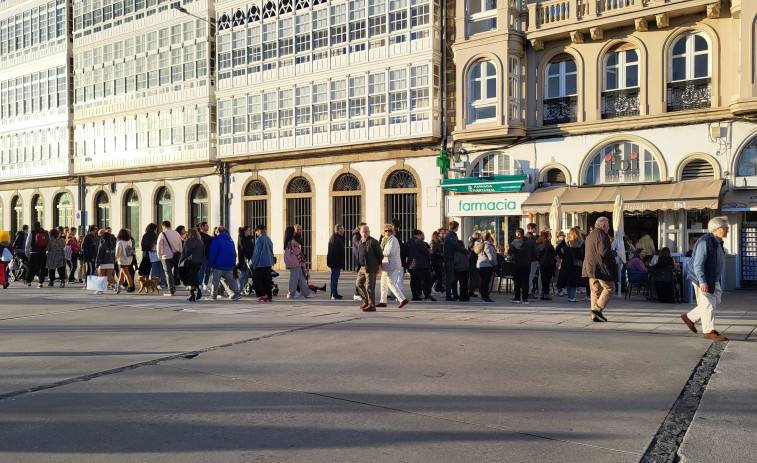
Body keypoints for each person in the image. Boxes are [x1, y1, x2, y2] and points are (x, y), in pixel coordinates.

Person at [682, 217, 730, 340]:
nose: (728, 230)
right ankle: (709, 331)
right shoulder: (705, 242)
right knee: (708, 304)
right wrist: (702, 281)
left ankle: (690, 317)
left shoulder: (717, 241)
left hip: (713, 278)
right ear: (715, 229)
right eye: (725, 228)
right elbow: (698, 265)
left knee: (715, 301)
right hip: (703, 278)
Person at [583, 217, 617, 323]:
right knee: (610, 288)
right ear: (603, 226)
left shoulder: (590, 235)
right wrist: (614, 253)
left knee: (595, 290)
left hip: (590, 267)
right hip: (600, 268)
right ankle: (597, 309)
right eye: (608, 225)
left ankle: (594, 316)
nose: (609, 227)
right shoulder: (602, 236)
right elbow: (604, 252)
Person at [207, 226, 242, 301]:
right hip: (229, 265)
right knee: (231, 280)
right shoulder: (230, 240)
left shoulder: (216, 241)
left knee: (215, 281)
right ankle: (237, 293)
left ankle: (213, 296)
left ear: (217, 232)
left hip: (219, 265)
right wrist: (233, 263)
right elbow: (234, 253)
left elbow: (213, 253)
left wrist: (210, 264)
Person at [354, 224, 384, 311]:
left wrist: (377, 265)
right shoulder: (360, 242)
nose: (364, 233)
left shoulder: (373, 241)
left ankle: (372, 305)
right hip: (362, 268)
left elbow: (380, 255)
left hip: (370, 267)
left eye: (366, 231)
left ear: (369, 232)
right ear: (360, 232)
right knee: (358, 284)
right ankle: (366, 301)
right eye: (363, 232)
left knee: (370, 287)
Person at [378, 224, 408, 308]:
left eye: (389, 231)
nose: (388, 232)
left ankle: (402, 299)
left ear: (392, 232)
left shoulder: (394, 240)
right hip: (385, 264)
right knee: (383, 283)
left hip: (392, 265)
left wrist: (379, 253)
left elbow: (390, 252)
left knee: (391, 283)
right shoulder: (384, 240)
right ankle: (383, 301)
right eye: (386, 231)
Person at [557, 227, 587, 303]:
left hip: (566, 262)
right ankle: (572, 297)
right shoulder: (581, 242)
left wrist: (563, 256)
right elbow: (585, 253)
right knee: (574, 280)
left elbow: (557, 248)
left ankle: (570, 296)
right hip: (576, 263)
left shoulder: (566, 242)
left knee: (568, 280)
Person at [283, 226, 312, 299]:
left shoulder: (288, 241)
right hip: (295, 262)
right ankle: (291, 293)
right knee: (294, 278)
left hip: (294, 262)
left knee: (301, 278)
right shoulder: (292, 241)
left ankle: (307, 293)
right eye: (294, 231)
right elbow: (297, 251)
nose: (295, 232)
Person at [507, 228, 535, 304]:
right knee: (525, 281)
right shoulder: (530, 241)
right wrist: (530, 259)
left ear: (518, 234)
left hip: (518, 263)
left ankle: (517, 297)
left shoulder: (515, 242)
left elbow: (510, 252)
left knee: (517, 281)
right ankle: (525, 298)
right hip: (527, 263)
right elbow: (535, 252)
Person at [443, 221, 469, 301]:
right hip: (450, 258)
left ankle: (455, 294)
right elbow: (456, 246)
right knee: (450, 277)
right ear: (456, 227)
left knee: (454, 277)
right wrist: (466, 251)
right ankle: (448, 295)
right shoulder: (450, 235)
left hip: (452, 258)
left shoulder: (451, 235)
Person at [157, 221, 182, 296]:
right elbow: (180, 244)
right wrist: (180, 252)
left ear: (163, 226)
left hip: (166, 256)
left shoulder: (162, 234)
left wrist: (159, 255)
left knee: (168, 272)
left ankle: (171, 289)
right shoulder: (176, 233)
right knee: (175, 271)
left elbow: (159, 245)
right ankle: (174, 285)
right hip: (176, 255)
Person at [251, 224, 275, 302]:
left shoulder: (260, 239)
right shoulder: (268, 239)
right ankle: (269, 296)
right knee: (267, 280)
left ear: (259, 231)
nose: (256, 233)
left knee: (256, 279)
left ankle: (261, 294)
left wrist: (254, 262)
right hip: (268, 263)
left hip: (261, 263)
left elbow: (257, 252)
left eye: (256, 231)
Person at [408, 229, 434, 301]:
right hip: (421, 265)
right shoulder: (419, 242)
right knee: (425, 280)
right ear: (419, 235)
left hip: (411, 265)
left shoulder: (409, 241)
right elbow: (426, 251)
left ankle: (415, 295)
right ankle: (427, 295)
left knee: (413, 281)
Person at [181, 228, 205, 302]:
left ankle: (192, 294)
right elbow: (203, 253)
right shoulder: (201, 242)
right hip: (198, 262)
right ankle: (197, 291)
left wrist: (181, 262)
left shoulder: (187, 242)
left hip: (189, 262)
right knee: (194, 276)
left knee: (190, 278)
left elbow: (184, 253)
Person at [24, 221, 48, 288]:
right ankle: (41, 282)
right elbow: (48, 241)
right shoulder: (45, 232)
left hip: (33, 252)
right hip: (43, 252)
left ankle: (28, 281)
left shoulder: (32, 232)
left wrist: (27, 250)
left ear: (33, 226)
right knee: (42, 268)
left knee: (30, 267)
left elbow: (28, 241)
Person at [476, 232, 497, 303]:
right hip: (487, 265)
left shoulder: (479, 244)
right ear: (489, 238)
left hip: (480, 265)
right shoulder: (487, 245)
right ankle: (485, 296)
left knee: (483, 282)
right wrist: (495, 264)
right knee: (486, 282)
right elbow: (491, 257)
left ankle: (484, 296)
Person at [326, 224, 345, 300]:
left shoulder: (338, 237)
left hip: (336, 262)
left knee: (335, 278)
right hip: (335, 262)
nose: (343, 229)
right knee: (334, 278)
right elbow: (334, 251)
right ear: (337, 230)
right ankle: (334, 294)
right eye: (341, 228)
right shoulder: (334, 238)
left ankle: (333, 293)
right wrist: (339, 260)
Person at [536, 231, 557, 300]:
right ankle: (546, 294)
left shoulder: (539, 245)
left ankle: (543, 293)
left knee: (543, 279)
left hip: (542, 264)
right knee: (547, 280)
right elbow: (554, 254)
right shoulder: (549, 246)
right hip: (549, 264)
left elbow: (537, 255)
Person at [114, 229, 135, 294]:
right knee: (122, 273)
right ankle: (118, 285)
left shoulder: (120, 242)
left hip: (123, 260)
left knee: (126, 273)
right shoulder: (129, 241)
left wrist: (115, 259)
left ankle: (131, 286)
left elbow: (118, 252)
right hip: (129, 259)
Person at [351, 222, 366, 301]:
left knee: (361, 279)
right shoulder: (356, 236)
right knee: (360, 279)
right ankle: (356, 294)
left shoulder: (359, 235)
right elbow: (359, 245)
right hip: (358, 260)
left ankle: (358, 293)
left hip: (361, 259)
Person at [237, 226, 254, 293]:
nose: (250, 231)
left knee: (246, 274)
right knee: (243, 274)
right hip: (243, 259)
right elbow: (243, 249)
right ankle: (241, 288)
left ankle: (245, 287)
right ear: (245, 231)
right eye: (248, 230)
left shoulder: (249, 239)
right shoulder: (241, 239)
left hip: (249, 258)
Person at [198, 222, 214, 290]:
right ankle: (199, 284)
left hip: (208, 255)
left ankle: (206, 284)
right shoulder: (200, 236)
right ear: (202, 227)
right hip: (203, 255)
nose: (208, 227)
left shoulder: (208, 236)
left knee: (208, 271)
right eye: (206, 226)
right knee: (202, 270)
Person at [429, 230, 446, 296]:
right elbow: (433, 253)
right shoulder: (433, 242)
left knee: (435, 277)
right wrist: (442, 254)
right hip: (434, 262)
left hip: (439, 262)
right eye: (439, 235)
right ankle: (439, 289)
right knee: (438, 276)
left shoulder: (440, 242)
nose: (441, 236)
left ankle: (429, 290)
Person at [467, 232, 481, 298]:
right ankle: (473, 290)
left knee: (473, 277)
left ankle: (471, 291)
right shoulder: (474, 243)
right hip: (473, 262)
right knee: (474, 277)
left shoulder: (471, 242)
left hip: (473, 262)